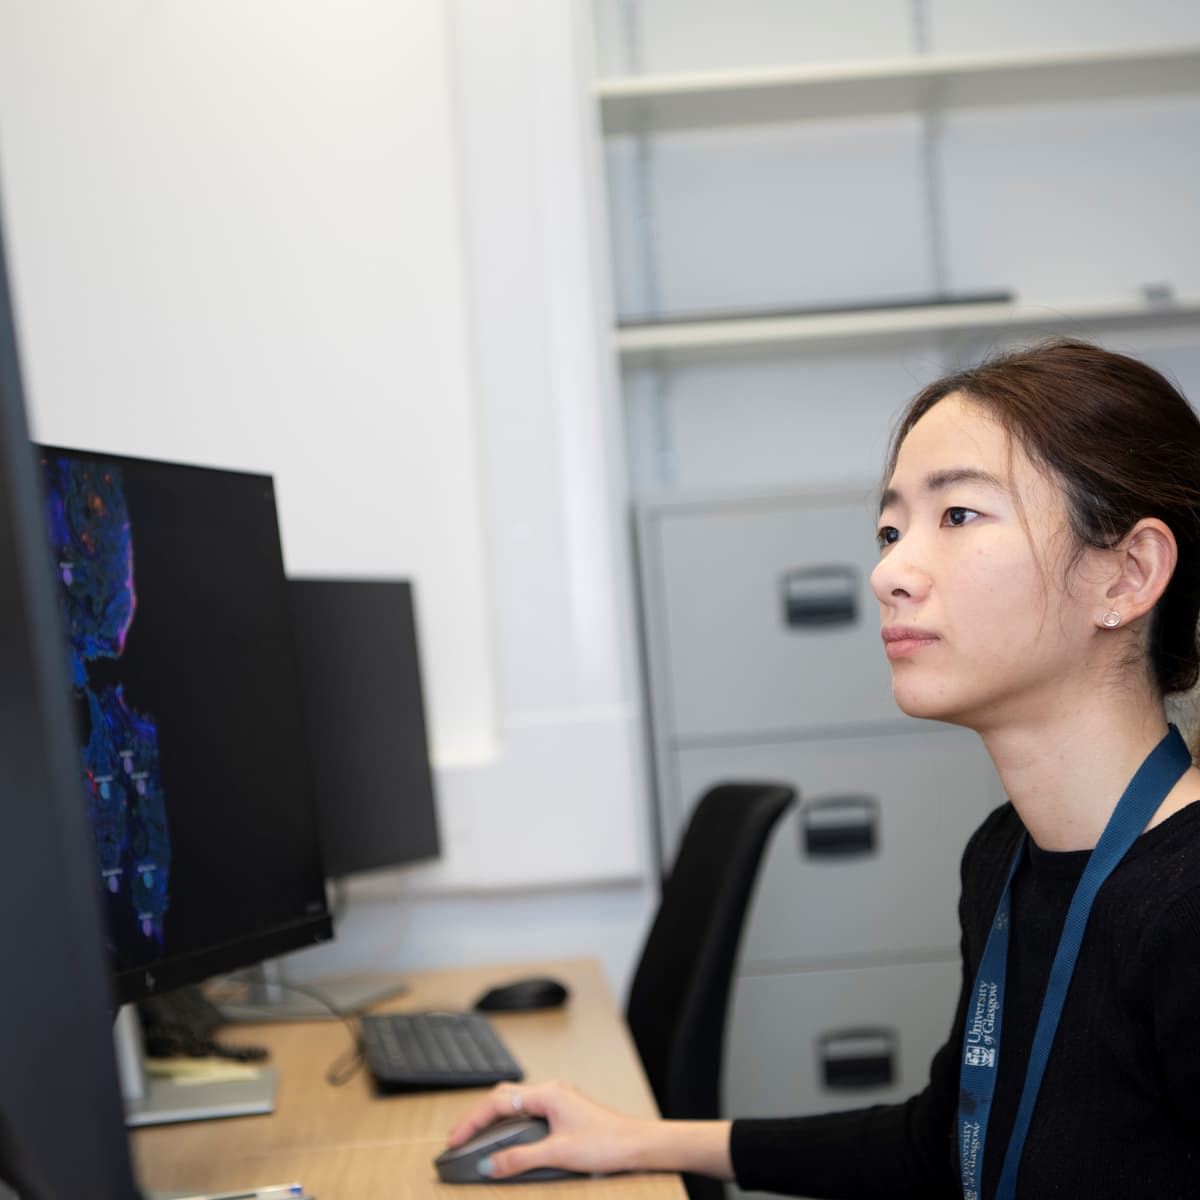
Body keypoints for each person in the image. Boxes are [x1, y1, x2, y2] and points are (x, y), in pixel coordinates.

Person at [445, 338, 1200, 1198]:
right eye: (890, 531)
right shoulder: (1005, 856)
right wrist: (637, 1140)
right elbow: (945, 1145)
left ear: (1127, 574)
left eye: (958, 516)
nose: (889, 572)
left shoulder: (1185, 905)